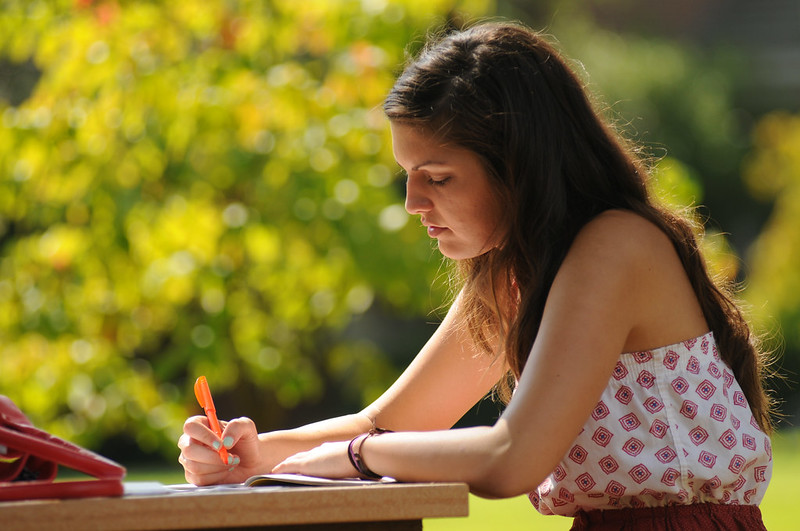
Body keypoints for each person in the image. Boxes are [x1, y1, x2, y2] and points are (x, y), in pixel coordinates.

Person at [178, 21, 774, 529]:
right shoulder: (516, 273)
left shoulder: (615, 247)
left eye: (437, 177)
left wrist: (359, 456)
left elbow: (509, 458)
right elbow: (385, 423)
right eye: (407, 174)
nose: (412, 202)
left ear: (521, 168)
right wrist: (251, 456)